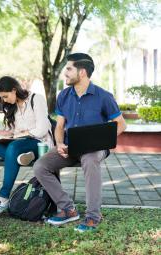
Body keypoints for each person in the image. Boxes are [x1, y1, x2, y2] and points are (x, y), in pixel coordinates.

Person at [33, 53, 126, 232]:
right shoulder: (64, 95)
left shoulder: (103, 96)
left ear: (82, 72)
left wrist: (103, 140)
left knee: (90, 161)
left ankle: (93, 216)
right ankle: (68, 209)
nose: (65, 73)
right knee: (40, 166)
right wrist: (59, 144)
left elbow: (121, 124)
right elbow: (59, 126)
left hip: (95, 149)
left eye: (68, 69)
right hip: (69, 147)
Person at [0, 76, 54, 215]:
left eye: (5, 96)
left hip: (39, 143)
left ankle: (3, 198)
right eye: (1, 98)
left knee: (13, 148)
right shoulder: (13, 107)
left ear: (14, 90)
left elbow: (43, 129)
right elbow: (14, 132)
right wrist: (0, 133)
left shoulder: (36, 99)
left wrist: (25, 133)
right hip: (20, 143)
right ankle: (20, 157)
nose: (4, 100)